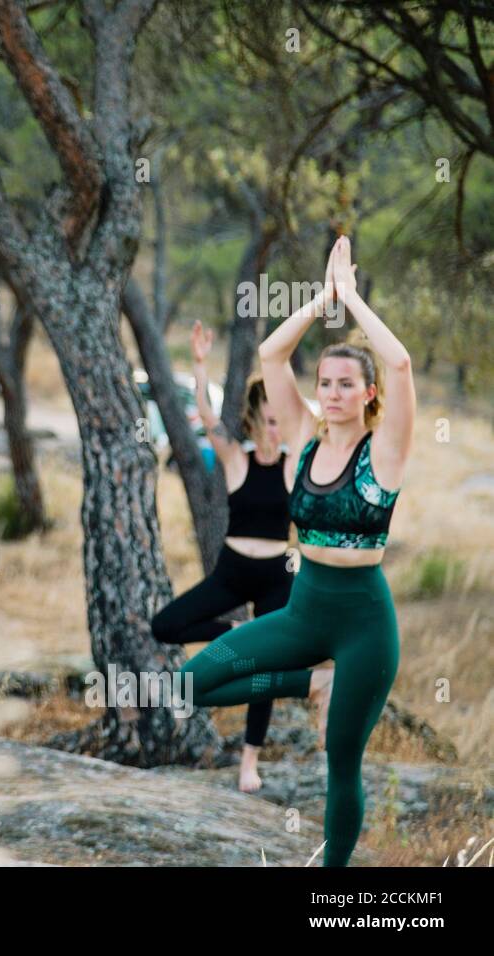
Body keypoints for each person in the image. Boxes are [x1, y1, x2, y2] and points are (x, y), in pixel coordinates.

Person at [178, 235, 415, 866]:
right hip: (305, 611)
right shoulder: (304, 438)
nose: (333, 392)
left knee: (342, 760)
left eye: (346, 384)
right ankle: (310, 681)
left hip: (364, 622)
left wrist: (355, 304)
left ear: (366, 395)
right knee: (192, 683)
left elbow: (400, 365)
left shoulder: (383, 450)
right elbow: (270, 353)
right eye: (326, 383)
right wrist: (322, 300)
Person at [152, 321, 292, 792]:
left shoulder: (296, 464)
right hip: (232, 573)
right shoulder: (237, 459)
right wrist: (198, 364)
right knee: (165, 626)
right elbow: (208, 418)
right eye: (267, 421)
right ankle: (235, 632)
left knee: (268, 671)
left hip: (277, 577)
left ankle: (249, 762)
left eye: (281, 421)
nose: (274, 430)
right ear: (254, 422)